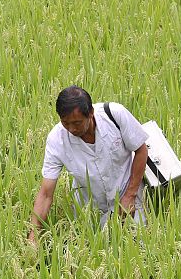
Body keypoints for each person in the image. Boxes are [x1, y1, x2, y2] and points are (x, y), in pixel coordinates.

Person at [28, 86, 150, 244]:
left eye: (77, 123)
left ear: (91, 113)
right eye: (65, 123)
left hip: (126, 192)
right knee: (94, 248)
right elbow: (45, 194)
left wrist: (130, 195)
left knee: (137, 243)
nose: (71, 129)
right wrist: (33, 237)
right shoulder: (57, 140)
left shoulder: (114, 115)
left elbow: (141, 150)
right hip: (90, 208)